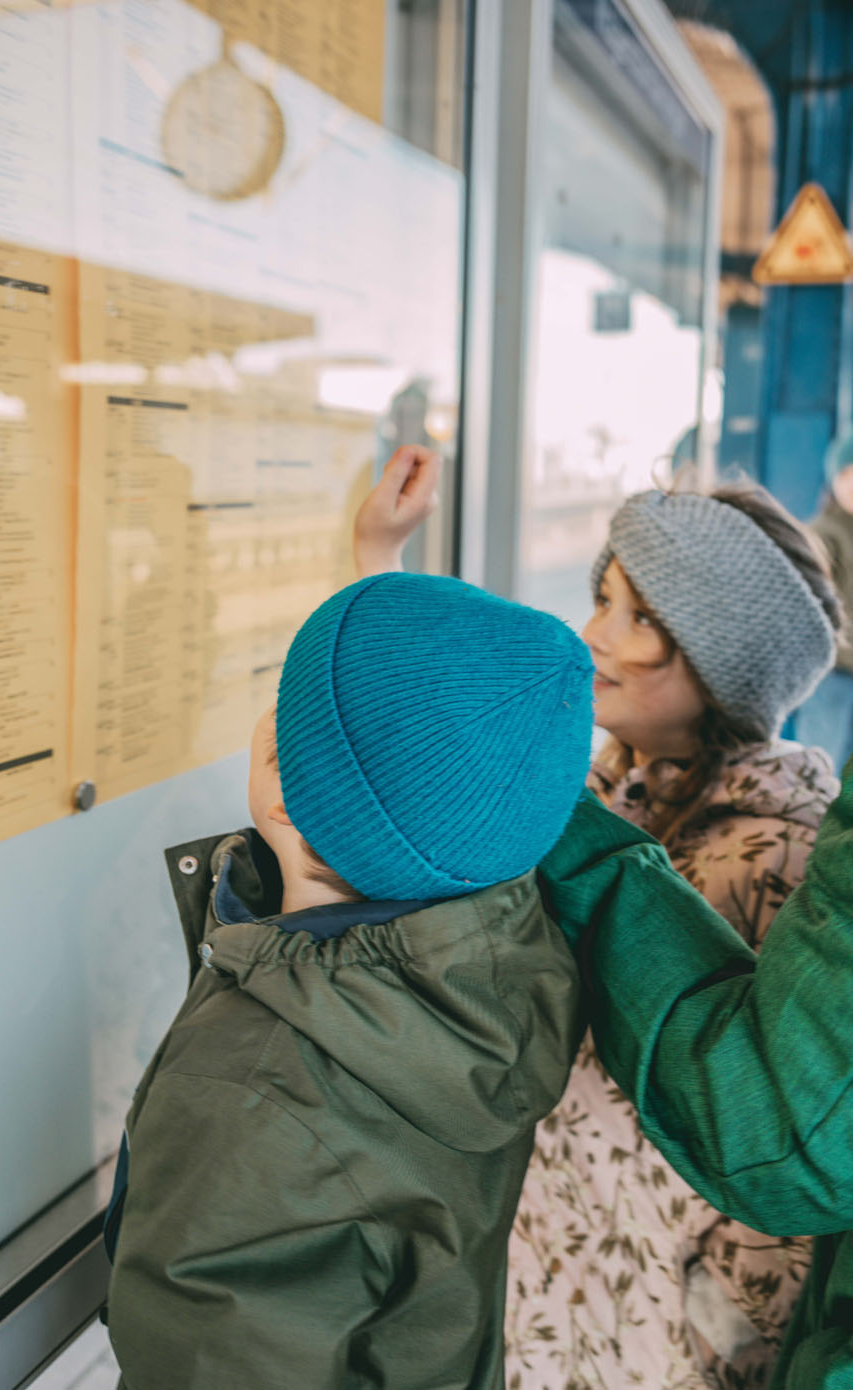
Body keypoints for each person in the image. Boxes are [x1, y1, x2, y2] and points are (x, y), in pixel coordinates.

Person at [360, 459, 844, 1386]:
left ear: (723, 658)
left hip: (657, 1340)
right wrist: (379, 565)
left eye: (641, 618)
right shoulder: (607, 793)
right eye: (601, 599)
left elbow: (775, 1182)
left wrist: (715, 1343)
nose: (591, 637)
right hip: (560, 1295)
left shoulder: (778, 862)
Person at [101, 564, 595, 1388]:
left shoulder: (253, 1087)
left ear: (285, 800)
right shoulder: (498, 961)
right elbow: (413, 767)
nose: (269, 715)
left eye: (283, 715)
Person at [800, 431, 853, 769]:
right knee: (828, 773)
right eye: (847, 475)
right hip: (833, 679)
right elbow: (811, 615)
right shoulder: (821, 534)